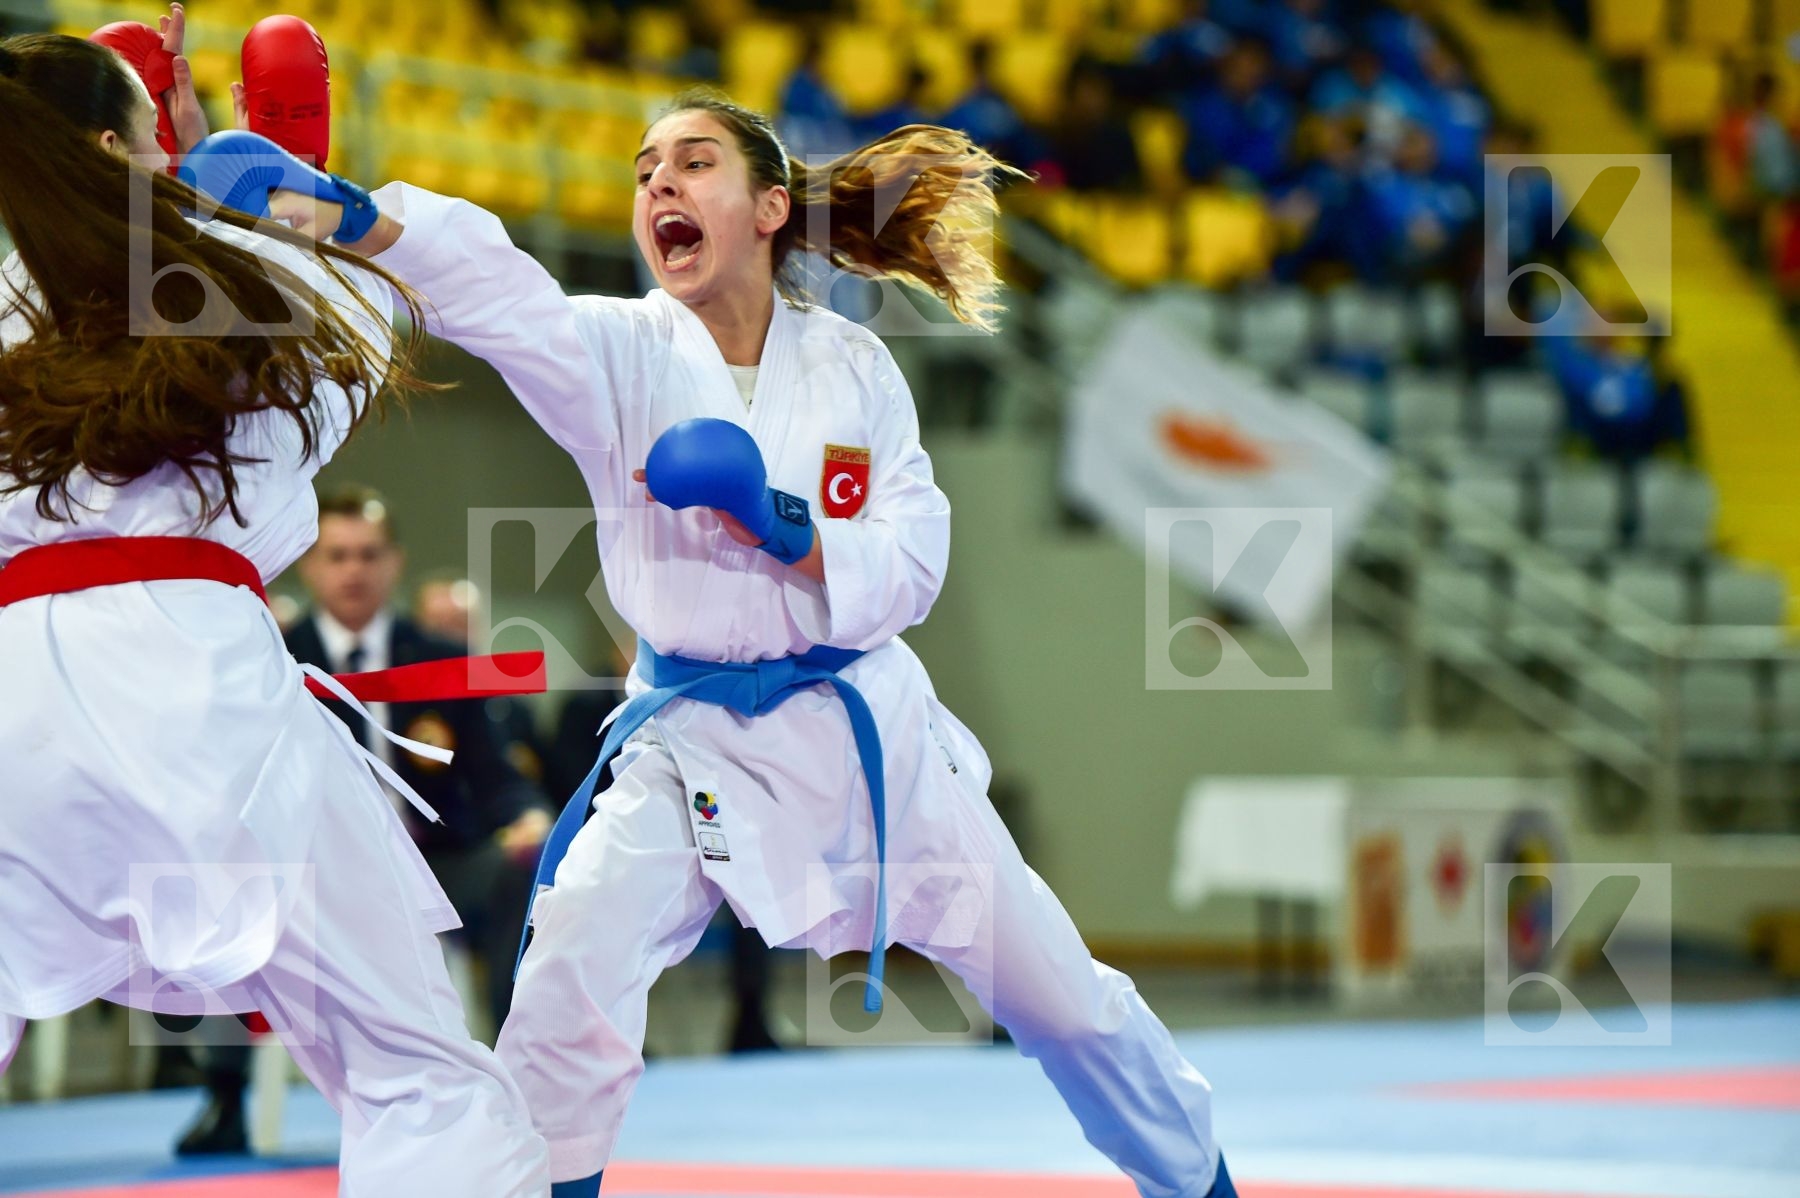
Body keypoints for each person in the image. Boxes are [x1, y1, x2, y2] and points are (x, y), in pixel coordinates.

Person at [302, 87, 1234, 1198]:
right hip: (688, 736)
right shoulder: (618, 355)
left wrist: (780, 523)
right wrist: (356, 217)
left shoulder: (855, 370)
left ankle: (1200, 1184)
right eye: (645, 170)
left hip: (869, 742)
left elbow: (913, 562)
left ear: (769, 208)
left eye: (693, 163)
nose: (659, 185)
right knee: (568, 973)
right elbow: (498, 294)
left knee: (1069, 1003)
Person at [0, 30, 550, 1196]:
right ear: (119, 149)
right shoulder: (218, 286)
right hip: (191, 693)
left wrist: (171, 178)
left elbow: (106, 241)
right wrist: (291, 166)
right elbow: (360, 344)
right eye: (151, 135)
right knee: (414, 1074)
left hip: (14, 710)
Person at [176, 487, 556, 1155]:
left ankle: (511, 1072)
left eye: (368, 555)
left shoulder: (437, 653)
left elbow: (495, 774)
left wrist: (527, 816)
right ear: (310, 566)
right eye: (338, 555)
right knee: (224, 887)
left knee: (510, 874)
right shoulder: (263, 653)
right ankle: (225, 1096)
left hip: (431, 861)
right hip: (309, 868)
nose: (353, 569)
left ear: (394, 564)